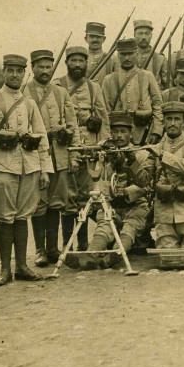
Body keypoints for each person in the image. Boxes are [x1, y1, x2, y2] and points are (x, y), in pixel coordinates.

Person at [0, 54, 52, 286]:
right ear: (3, 72)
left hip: (29, 166)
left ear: (25, 73)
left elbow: (42, 137)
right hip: (3, 166)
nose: (15, 75)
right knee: (5, 217)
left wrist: (45, 169)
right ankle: (5, 269)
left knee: (23, 215)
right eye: (11, 70)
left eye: (19, 71)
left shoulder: (28, 104)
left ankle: (22, 266)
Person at [65, 112, 154, 270]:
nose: (119, 136)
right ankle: (91, 255)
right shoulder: (104, 153)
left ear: (131, 133)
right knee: (104, 226)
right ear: (110, 133)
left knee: (130, 227)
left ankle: (116, 255)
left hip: (135, 205)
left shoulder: (142, 154)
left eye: (123, 131)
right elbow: (97, 177)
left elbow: (146, 184)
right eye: (115, 131)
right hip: (111, 205)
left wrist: (126, 190)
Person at [24, 49, 80, 267]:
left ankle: (53, 248)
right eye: (41, 67)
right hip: (36, 156)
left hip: (59, 155)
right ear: (33, 68)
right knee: (39, 202)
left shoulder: (61, 93)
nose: (45, 71)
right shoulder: (25, 92)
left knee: (57, 203)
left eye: (49, 67)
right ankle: (40, 251)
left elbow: (72, 125)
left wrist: (74, 153)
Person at [55, 45, 110, 251]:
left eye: (81, 61)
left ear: (86, 63)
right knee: (66, 197)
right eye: (73, 61)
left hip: (88, 151)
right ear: (67, 63)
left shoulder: (93, 88)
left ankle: (83, 243)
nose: (77, 65)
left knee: (85, 197)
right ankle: (66, 243)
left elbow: (103, 119)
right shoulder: (58, 85)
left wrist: (103, 145)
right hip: (65, 149)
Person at [144, 102, 184, 252]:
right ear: (163, 122)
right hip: (163, 210)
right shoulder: (155, 148)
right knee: (166, 256)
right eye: (168, 119)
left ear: (183, 122)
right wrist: (131, 161)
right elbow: (144, 178)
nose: (172, 123)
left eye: (177, 119)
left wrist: (162, 155)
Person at [102, 38, 163, 145]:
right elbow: (105, 111)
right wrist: (108, 135)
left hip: (144, 133)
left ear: (136, 54)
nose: (127, 58)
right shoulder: (108, 80)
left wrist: (157, 131)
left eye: (130, 54)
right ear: (118, 56)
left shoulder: (147, 76)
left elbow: (158, 105)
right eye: (123, 54)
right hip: (118, 136)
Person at [134, 19, 169, 90]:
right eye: (140, 33)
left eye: (147, 33)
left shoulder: (160, 59)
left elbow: (167, 86)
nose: (144, 37)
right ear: (134, 35)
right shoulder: (128, 58)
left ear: (151, 36)